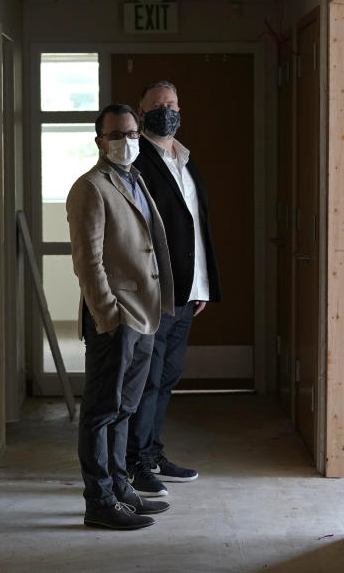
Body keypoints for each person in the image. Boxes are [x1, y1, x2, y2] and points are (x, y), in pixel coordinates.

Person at [66, 103, 175, 530]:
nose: (126, 142)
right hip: (115, 319)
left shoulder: (133, 179)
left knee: (125, 408)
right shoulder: (90, 187)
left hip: (146, 314)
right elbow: (87, 262)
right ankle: (100, 502)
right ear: (99, 141)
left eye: (131, 133)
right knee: (100, 412)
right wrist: (109, 317)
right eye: (116, 135)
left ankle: (121, 489)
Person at [126, 81, 222, 498]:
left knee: (166, 377)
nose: (166, 111)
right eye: (157, 105)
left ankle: (151, 451)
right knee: (145, 380)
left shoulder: (184, 158)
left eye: (172, 104)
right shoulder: (137, 161)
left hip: (188, 292)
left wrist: (202, 283)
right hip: (156, 292)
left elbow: (195, 227)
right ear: (141, 111)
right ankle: (135, 462)